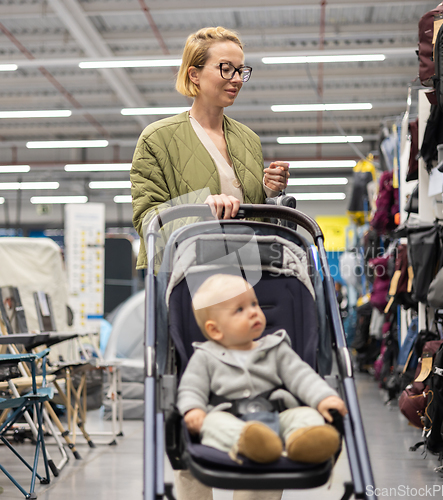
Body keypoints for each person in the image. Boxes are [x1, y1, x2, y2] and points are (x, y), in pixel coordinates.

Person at [130, 26, 290, 270]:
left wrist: (268, 191)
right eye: (226, 69)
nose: (236, 79)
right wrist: (201, 211)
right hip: (188, 276)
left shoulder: (248, 139)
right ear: (194, 74)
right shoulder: (157, 139)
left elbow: (255, 219)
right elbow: (148, 220)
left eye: (241, 70)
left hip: (249, 273)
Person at [178, 274, 347, 468]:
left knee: (308, 416)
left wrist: (323, 397)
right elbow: (191, 388)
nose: (253, 312)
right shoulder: (205, 356)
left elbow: (303, 376)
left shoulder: (275, 347)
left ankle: (301, 442)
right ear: (215, 330)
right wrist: (193, 409)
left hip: (277, 415)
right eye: (240, 309)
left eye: (254, 304)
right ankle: (252, 444)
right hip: (230, 418)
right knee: (212, 423)